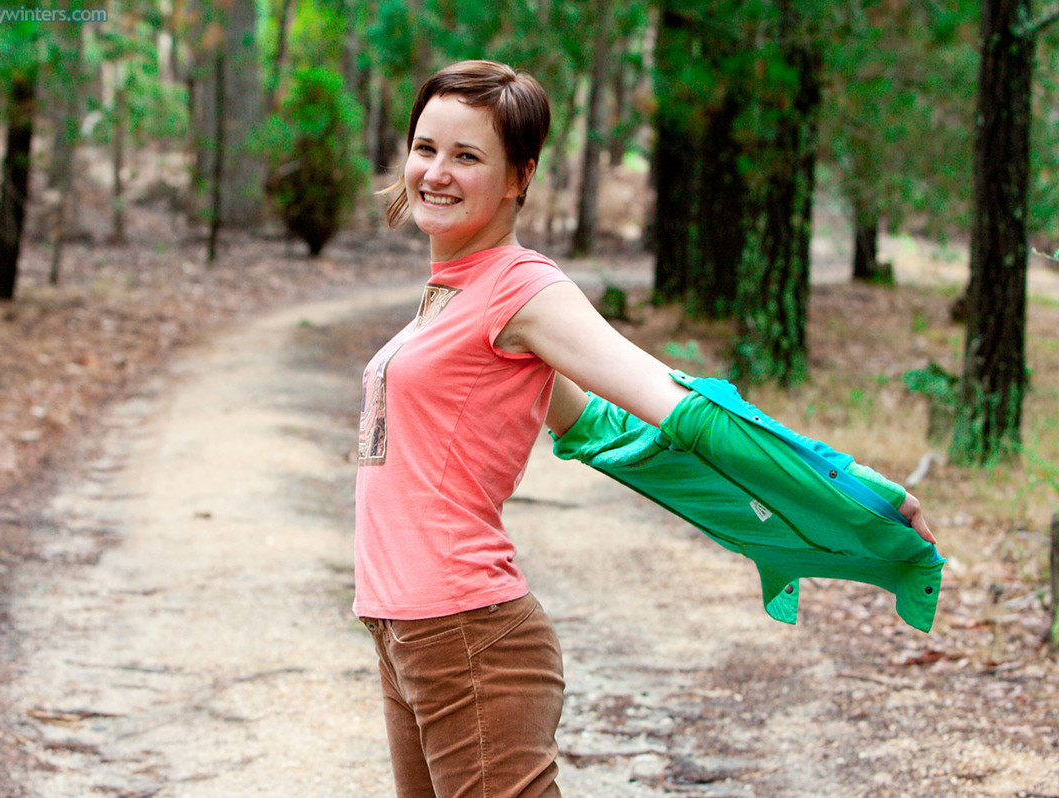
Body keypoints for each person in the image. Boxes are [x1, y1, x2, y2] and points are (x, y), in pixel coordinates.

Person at [353, 59, 935, 798]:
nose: (435, 171)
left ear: (517, 177)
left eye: (467, 155)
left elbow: (674, 404)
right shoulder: (451, 294)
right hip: (405, 633)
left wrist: (843, 483)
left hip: (468, 634)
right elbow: (592, 424)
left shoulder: (522, 289)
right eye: (426, 147)